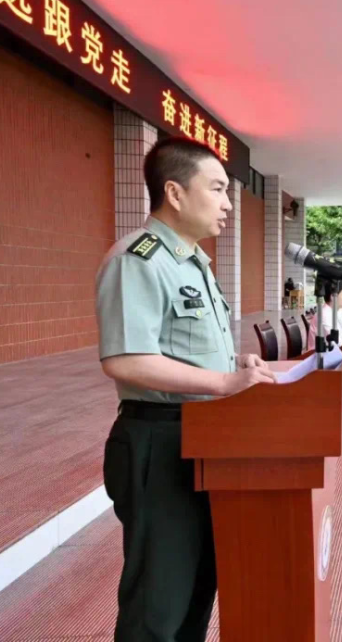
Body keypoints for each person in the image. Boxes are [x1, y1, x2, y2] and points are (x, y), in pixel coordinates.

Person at [95, 137, 276, 641]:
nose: (227, 203)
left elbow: (176, 348)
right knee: (159, 604)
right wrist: (221, 381)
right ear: (175, 193)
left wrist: (232, 363)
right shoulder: (141, 259)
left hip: (200, 440)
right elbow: (125, 359)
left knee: (197, 592)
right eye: (217, 189)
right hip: (159, 443)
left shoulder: (192, 261)